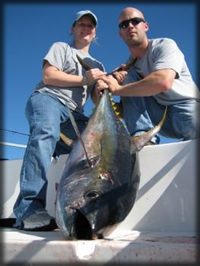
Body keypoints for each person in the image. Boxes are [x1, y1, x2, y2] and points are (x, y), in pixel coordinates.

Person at [13, 10, 106, 231]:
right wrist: (84, 78)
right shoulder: (61, 48)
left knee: (99, 147)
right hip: (48, 98)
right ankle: (29, 210)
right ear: (72, 29)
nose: (85, 28)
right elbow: (49, 76)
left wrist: (103, 88)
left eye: (90, 26)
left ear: (95, 33)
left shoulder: (98, 65)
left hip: (75, 114)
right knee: (46, 131)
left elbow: (93, 95)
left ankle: (88, 207)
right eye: (81, 24)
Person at [97, 7, 200, 144]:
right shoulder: (126, 68)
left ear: (146, 26)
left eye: (135, 21)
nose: (130, 26)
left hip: (186, 109)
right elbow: (128, 112)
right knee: (127, 75)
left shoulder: (164, 45)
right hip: (159, 117)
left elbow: (163, 82)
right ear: (120, 33)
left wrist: (117, 89)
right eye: (124, 24)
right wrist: (101, 97)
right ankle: (143, 139)